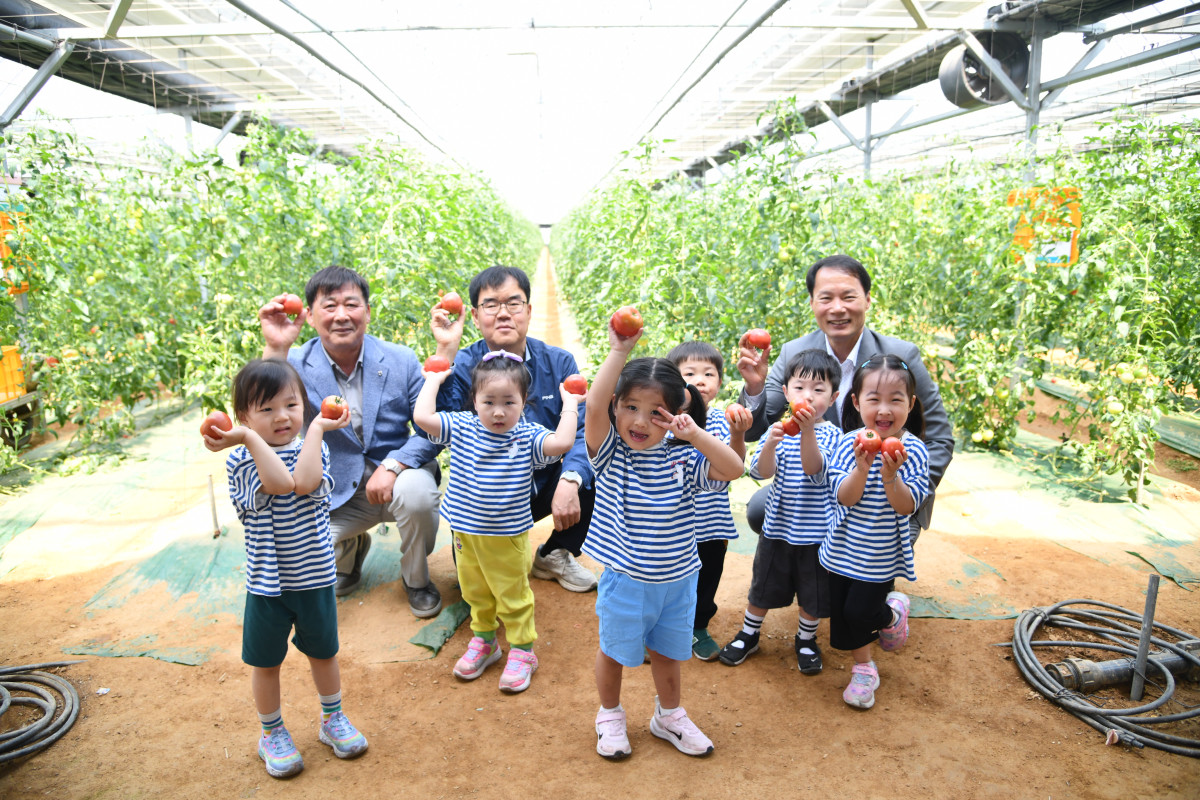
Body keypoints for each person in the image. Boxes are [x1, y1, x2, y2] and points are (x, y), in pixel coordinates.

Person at [585, 320, 745, 760]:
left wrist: (693, 434)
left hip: (678, 580)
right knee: (614, 652)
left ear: (673, 416)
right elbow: (595, 404)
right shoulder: (610, 453)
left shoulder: (684, 458)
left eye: (654, 412)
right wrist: (619, 350)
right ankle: (610, 715)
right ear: (618, 407)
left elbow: (733, 469)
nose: (639, 421)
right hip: (626, 580)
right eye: (630, 406)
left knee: (668, 653)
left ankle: (668, 716)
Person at [202, 358, 368, 779]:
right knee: (266, 661)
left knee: (324, 652)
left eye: (291, 405)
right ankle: (271, 732)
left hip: (314, 578)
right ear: (243, 418)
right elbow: (278, 483)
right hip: (267, 585)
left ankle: (333, 719)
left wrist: (315, 430)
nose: (282, 417)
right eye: (267, 409)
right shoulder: (240, 460)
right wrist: (246, 441)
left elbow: (305, 483)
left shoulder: (317, 446)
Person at [260, 266, 443, 619]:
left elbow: (431, 430)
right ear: (310, 316)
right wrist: (275, 346)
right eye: (329, 306)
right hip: (337, 488)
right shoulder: (294, 363)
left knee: (419, 497)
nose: (341, 315)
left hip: (397, 480)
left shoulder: (401, 359)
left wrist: (393, 465)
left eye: (351, 304)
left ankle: (416, 580)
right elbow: (264, 414)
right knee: (305, 551)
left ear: (368, 312)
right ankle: (349, 551)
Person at [738, 254, 953, 539]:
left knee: (871, 567)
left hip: (880, 490)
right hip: (818, 487)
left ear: (867, 300)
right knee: (760, 510)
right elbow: (756, 429)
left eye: (848, 297)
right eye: (826, 298)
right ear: (812, 303)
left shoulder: (901, 357)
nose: (838, 309)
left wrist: (909, 494)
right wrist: (755, 387)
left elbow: (940, 438)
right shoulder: (795, 354)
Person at [412, 352, 582, 693]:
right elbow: (422, 416)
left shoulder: (528, 436)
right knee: (475, 590)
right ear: (474, 400)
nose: (499, 411)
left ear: (524, 403)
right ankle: (485, 640)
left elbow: (562, 443)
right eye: (488, 401)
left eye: (509, 401)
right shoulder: (460, 426)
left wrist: (572, 403)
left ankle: (523, 650)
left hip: (506, 536)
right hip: (465, 533)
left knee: (513, 595)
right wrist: (432, 379)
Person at [430, 265, 597, 592]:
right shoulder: (465, 363)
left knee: (592, 471)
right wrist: (445, 351)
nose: (503, 313)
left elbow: (580, 431)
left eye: (514, 303)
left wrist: (570, 479)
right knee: (476, 592)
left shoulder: (559, 363)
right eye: (491, 305)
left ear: (529, 311)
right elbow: (440, 426)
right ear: (476, 317)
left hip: (540, 485)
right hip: (481, 496)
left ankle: (554, 553)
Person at [718, 349, 842, 674]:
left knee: (812, 595)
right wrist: (771, 443)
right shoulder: (779, 430)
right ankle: (749, 634)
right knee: (762, 586)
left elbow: (815, 469)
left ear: (834, 397)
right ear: (786, 392)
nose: (808, 397)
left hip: (817, 537)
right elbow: (760, 473)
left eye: (819, 390)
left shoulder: (832, 436)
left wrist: (808, 432)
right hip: (777, 529)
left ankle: (805, 640)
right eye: (800, 388)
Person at [822, 354, 931, 709]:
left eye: (895, 400)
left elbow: (906, 506)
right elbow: (845, 497)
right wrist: (862, 467)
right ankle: (865, 657)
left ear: (911, 404)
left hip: (881, 552)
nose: (884, 409)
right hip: (841, 548)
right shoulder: (847, 443)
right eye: (874, 399)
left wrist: (889, 475)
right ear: (856, 402)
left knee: (859, 612)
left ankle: (870, 658)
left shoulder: (913, 451)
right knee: (840, 616)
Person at [665, 341, 751, 661]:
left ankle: (698, 627)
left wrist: (738, 434)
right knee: (668, 580)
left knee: (707, 577)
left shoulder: (720, 420)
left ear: (719, 381)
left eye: (709, 373)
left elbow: (734, 468)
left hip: (712, 524)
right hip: (672, 525)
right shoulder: (663, 422)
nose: (700, 380)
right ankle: (661, 629)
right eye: (689, 373)